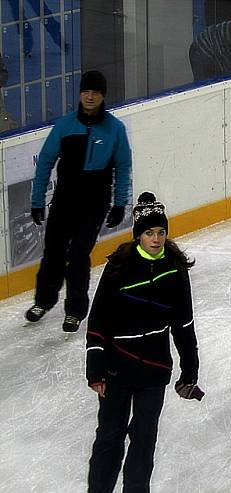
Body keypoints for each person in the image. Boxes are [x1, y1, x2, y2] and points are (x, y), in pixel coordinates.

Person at [76, 192, 203, 493]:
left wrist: (189, 371)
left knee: (144, 438)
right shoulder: (118, 268)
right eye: (150, 233)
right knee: (109, 436)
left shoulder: (175, 271)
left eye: (161, 232)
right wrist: (96, 371)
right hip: (117, 369)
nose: (157, 238)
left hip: (154, 371)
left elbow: (184, 325)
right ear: (138, 235)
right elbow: (98, 322)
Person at [25, 70, 132, 333]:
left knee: (78, 255)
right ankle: (44, 301)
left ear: (103, 95)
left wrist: (119, 204)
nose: (90, 97)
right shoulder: (64, 126)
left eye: (95, 92)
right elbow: (45, 163)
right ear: (80, 94)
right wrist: (37, 200)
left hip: (95, 200)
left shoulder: (115, 129)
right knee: (53, 252)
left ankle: (74, 310)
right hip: (65, 199)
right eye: (86, 92)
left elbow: (123, 167)